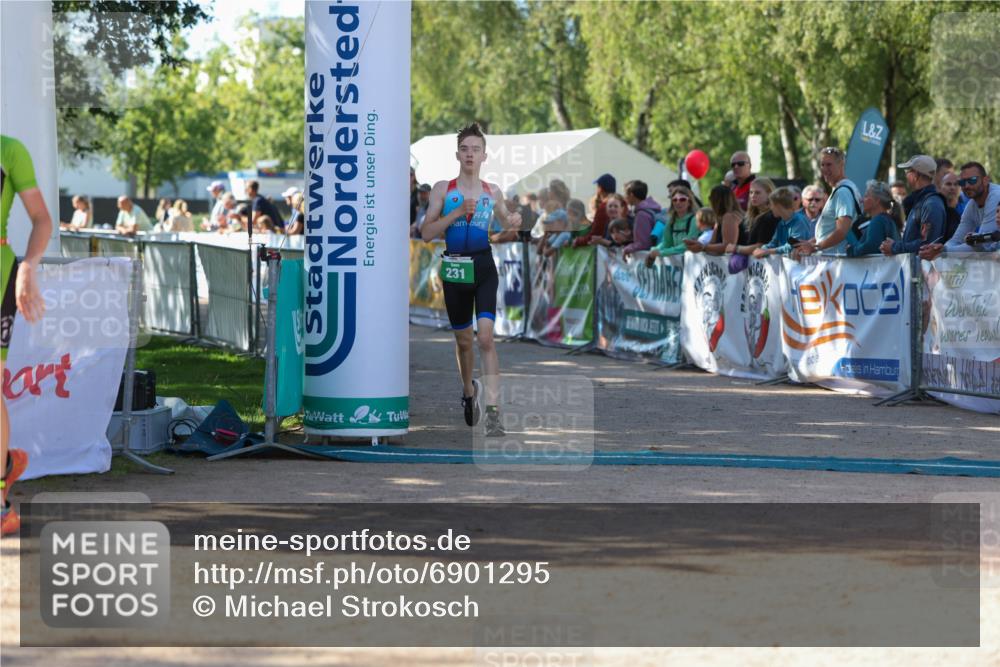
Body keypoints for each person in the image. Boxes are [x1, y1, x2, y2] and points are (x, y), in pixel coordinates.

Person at [419, 123, 521, 437]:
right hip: (454, 271)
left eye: (476, 149)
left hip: (483, 267)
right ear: (457, 154)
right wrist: (456, 213)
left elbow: (508, 223)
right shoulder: (442, 189)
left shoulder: (493, 192)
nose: (470, 155)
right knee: (464, 342)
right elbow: (426, 233)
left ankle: (493, 413)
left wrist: (514, 222)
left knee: (486, 338)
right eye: (465, 149)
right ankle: (468, 391)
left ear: (484, 155)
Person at [1, 135, 53, 536]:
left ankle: (1, 502)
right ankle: (7, 462)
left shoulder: (8, 150)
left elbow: (41, 218)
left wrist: (28, 267)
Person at [920, 161, 1000, 258]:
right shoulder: (972, 204)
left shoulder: (996, 197)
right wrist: (939, 249)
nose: (966, 186)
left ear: (986, 180)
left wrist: (943, 251)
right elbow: (956, 240)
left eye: (973, 180)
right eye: (962, 182)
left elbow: (984, 244)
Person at [794, 147, 860, 257]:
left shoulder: (843, 192)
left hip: (837, 262)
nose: (824, 169)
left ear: (841, 165)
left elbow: (842, 231)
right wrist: (810, 243)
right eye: (822, 165)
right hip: (832, 260)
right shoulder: (842, 189)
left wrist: (815, 247)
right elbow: (831, 230)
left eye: (829, 165)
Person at [880, 154, 945, 256]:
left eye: (907, 171)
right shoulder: (921, 201)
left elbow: (927, 244)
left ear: (915, 175)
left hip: (925, 270)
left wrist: (894, 247)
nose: (905, 175)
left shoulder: (931, 204)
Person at [844, 180, 903, 256]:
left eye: (866, 196)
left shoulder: (878, 221)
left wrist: (851, 250)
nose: (861, 200)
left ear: (877, 201)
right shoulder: (887, 220)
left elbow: (870, 247)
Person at [752, 187, 814, 258]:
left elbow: (794, 246)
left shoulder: (799, 221)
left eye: (771, 204)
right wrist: (762, 249)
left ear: (778, 205)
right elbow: (773, 243)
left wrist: (767, 251)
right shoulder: (781, 223)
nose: (770, 208)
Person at [685, 185, 745, 255]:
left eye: (710, 198)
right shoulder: (720, 219)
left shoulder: (729, 217)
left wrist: (703, 247)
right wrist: (698, 243)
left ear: (717, 200)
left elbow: (728, 246)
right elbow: (713, 242)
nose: (710, 201)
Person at [646, 185, 698, 265]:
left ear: (689, 202)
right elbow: (667, 243)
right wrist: (654, 250)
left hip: (692, 265)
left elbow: (687, 246)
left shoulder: (695, 220)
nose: (678, 202)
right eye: (675, 200)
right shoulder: (671, 221)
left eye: (682, 199)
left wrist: (662, 253)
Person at [729, 177, 778, 256]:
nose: (753, 196)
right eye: (751, 192)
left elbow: (762, 246)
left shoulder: (771, 216)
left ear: (769, 193)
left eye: (757, 193)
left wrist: (736, 248)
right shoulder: (748, 217)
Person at [573, 172, 615, 247]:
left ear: (600, 188)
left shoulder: (603, 207)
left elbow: (596, 234)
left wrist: (578, 241)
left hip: (608, 250)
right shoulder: (621, 202)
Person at [621, 180, 661, 257]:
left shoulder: (642, 215)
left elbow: (643, 243)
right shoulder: (650, 209)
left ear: (631, 195)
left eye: (625, 194)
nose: (624, 197)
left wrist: (627, 249)